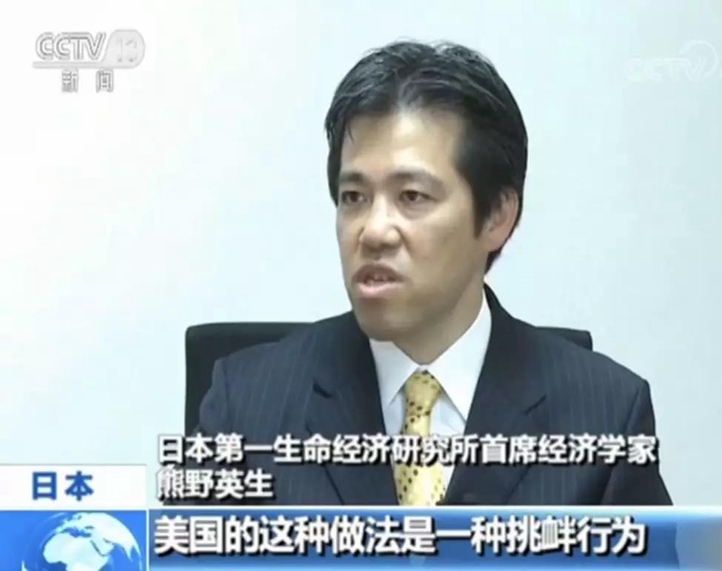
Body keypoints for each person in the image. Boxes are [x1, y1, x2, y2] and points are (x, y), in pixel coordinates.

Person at [192, 40, 672, 507]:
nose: (373, 231)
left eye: (412, 197)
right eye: (354, 197)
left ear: (497, 217)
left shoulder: (604, 417)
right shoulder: (247, 407)